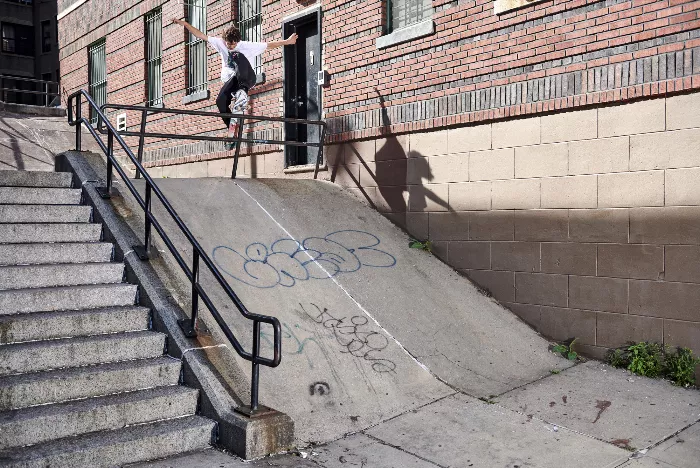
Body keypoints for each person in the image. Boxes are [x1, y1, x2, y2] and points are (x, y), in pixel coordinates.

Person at [172, 18, 297, 149]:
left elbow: (269, 45)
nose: (230, 47)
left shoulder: (245, 46)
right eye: (228, 44)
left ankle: (242, 92)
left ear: (238, 41)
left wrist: (287, 42)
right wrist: (185, 24)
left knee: (236, 55)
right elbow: (200, 35)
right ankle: (232, 132)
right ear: (224, 41)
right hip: (232, 82)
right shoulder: (220, 43)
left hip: (247, 79)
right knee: (220, 101)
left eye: (233, 44)